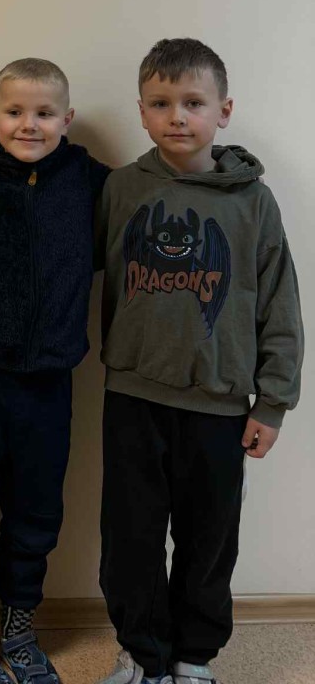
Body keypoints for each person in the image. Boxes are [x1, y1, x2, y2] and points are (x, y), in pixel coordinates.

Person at [94, 38, 304, 684]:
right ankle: (142, 655)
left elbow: (280, 303)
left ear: (224, 110)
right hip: (133, 398)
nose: (177, 116)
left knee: (208, 541)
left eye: (193, 102)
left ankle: (193, 658)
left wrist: (273, 401)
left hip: (218, 405)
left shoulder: (252, 201)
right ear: (141, 112)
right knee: (129, 539)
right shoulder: (122, 189)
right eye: (160, 103)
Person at [0, 58, 110, 684]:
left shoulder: (90, 182)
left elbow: (131, 221)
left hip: (49, 381)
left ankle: (19, 627)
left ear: (67, 117)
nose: (28, 125)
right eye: (14, 112)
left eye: (43, 113)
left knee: (36, 514)